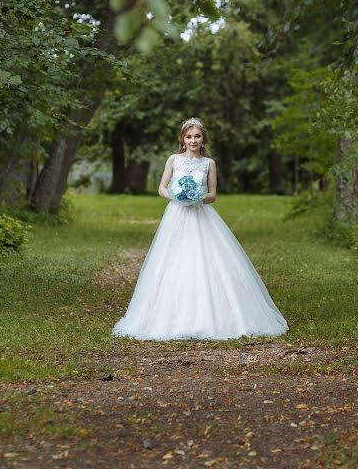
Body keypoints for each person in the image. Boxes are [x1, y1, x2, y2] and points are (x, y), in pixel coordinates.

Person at [112, 117, 288, 340]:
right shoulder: (174, 160)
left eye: (197, 136)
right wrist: (177, 197)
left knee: (206, 259)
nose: (193, 140)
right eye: (189, 136)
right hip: (176, 215)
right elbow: (161, 188)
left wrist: (197, 197)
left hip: (201, 215)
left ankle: (216, 317)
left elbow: (213, 195)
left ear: (203, 138)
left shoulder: (208, 164)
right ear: (182, 139)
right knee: (173, 260)